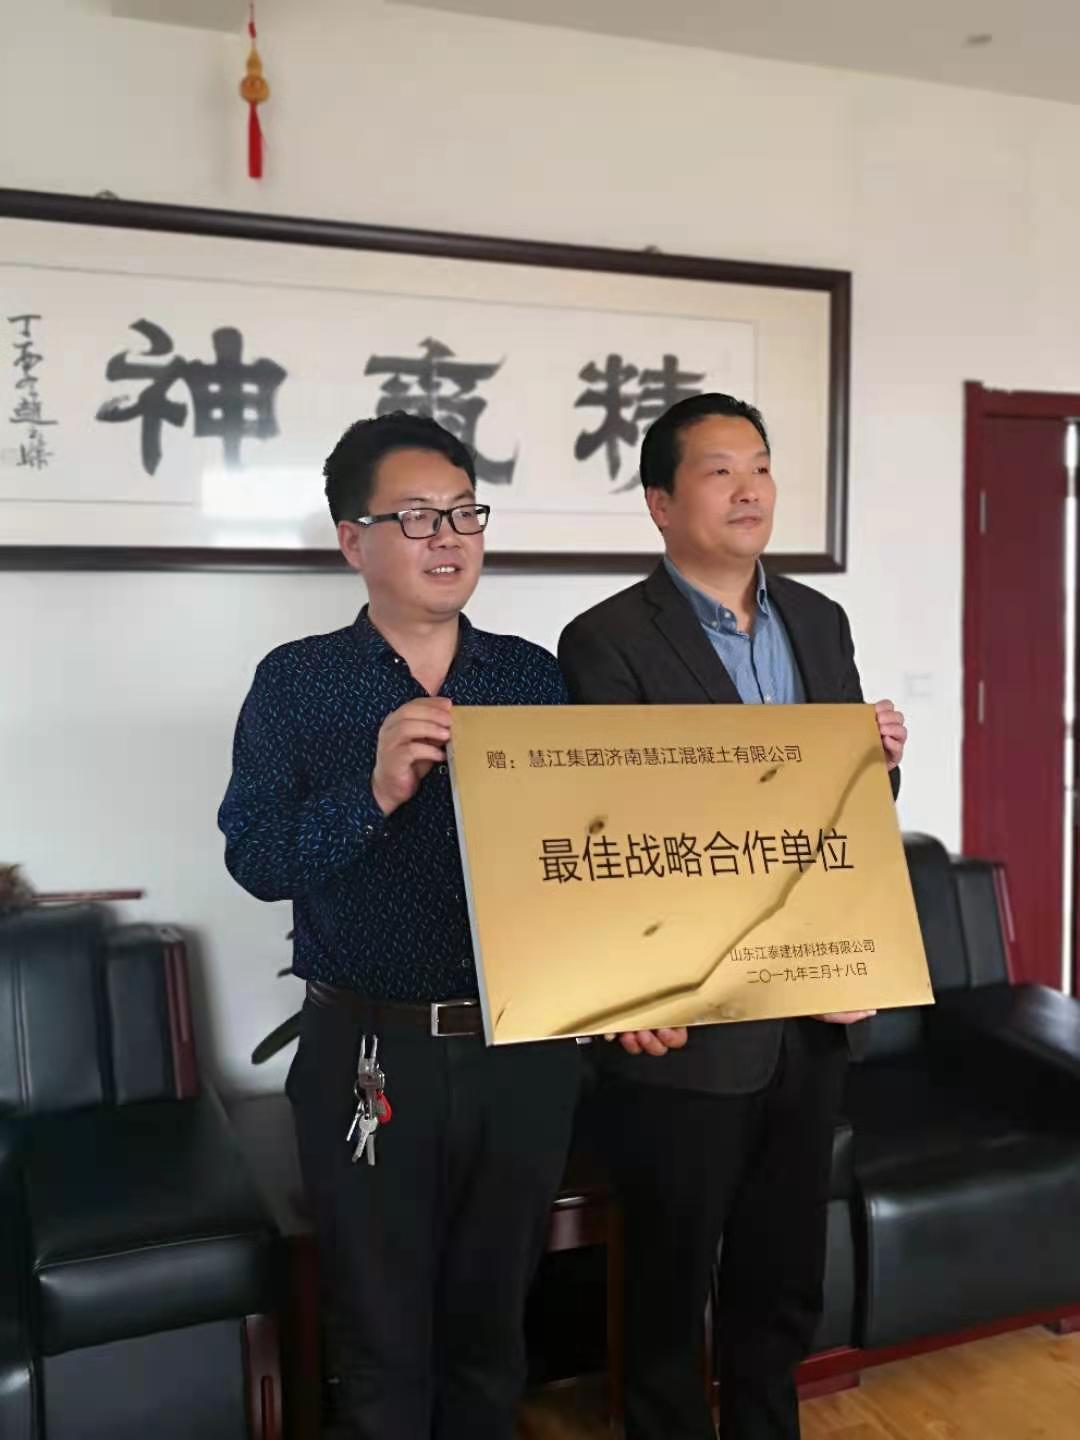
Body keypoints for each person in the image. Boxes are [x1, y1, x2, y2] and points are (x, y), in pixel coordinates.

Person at [218, 411, 585, 1440]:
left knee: (493, 1334)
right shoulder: (298, 681)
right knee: (381, 1345)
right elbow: (256, 859)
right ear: (353, 540)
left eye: (465, 513)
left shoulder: (529, 678)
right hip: (368, 1054)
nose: (449, 537)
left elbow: (583, 856)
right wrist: (374, 792)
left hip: (522, 1050)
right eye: (417, 517)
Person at [558, 393, 907, 1440]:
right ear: (661, 503)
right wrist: (628, 991)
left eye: (759, 465)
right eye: (718, 470)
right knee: (668, 1295)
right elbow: (609, 835)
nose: (749, 488)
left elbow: (844, 815)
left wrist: (876, 764)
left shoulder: (819, 620)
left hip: (810, 1014)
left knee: (780, 1284)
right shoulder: (606, 639)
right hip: (686, 1026)